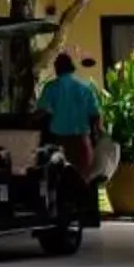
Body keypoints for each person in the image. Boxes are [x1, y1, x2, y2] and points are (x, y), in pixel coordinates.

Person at [38, 51, 105, 227]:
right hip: (81, 141)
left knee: (60, 179)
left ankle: (63, 216)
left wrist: (29, 119)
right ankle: (87, 216)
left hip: (59, 141)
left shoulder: (51, 87)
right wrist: (97, 133)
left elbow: (42, 111)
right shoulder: (85, 88)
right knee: (84, 177)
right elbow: (95, 115)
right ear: (72, 68)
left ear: (57, 68)